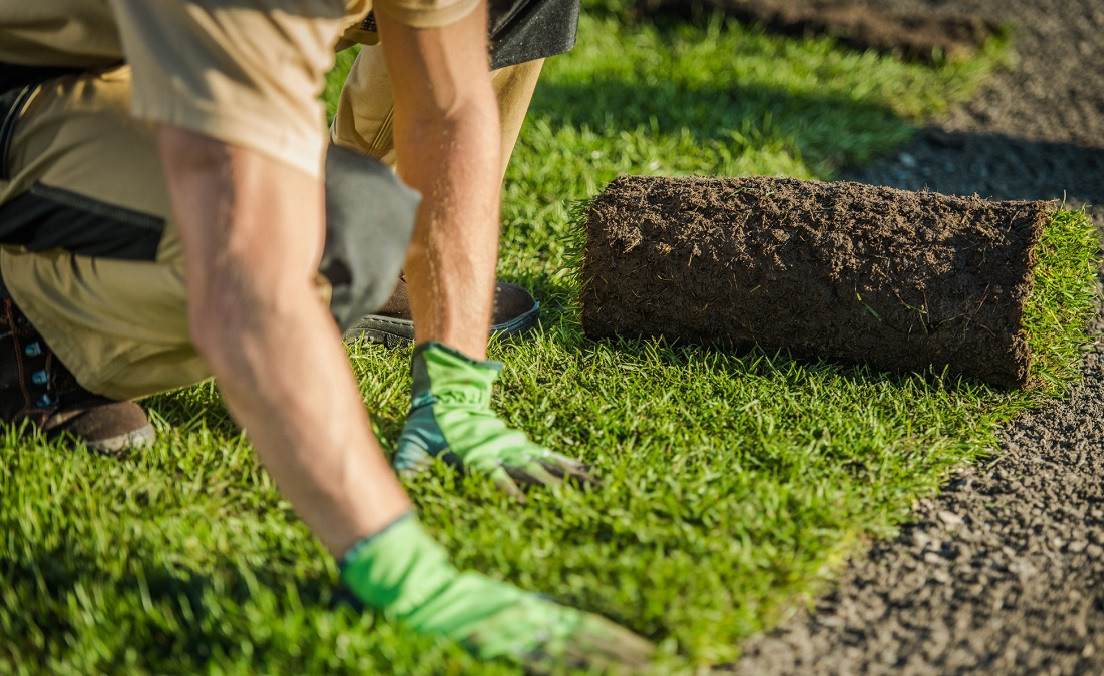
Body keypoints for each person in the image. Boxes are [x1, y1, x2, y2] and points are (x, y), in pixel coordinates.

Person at [0, 0, 654, 670]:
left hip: (148, 48)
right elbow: (249, 264)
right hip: (34, 82)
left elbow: (447, 108)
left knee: (343, 223)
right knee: (341, 227)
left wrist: (454, 390)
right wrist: (399, 568)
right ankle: (28, 317)